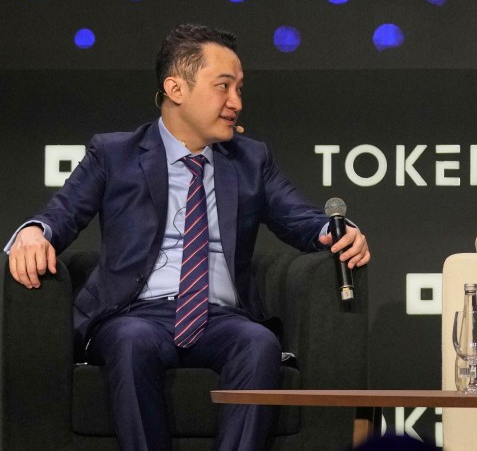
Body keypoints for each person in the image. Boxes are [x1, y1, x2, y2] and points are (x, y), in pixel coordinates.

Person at [5, 23, 371, 451]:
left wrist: (337, 232)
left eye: (239, 89)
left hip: (222, 317)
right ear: (176, 88)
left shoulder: (251, 159)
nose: (236, 102)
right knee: (131, 342)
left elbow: (301, 219)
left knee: (259, 343)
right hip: (135, 313)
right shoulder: (115, 154)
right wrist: (34, 233)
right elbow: (61, 215)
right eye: (223, 87)